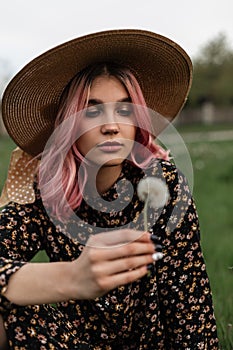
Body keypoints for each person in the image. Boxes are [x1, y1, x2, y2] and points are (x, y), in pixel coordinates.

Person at [0, 29, 219, 349]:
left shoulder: (162, 185)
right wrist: (72, 277)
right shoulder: (45, 190)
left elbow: (190, 303)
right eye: (92, 110)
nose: (111, 124)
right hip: (69, 340)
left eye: (124, 108)